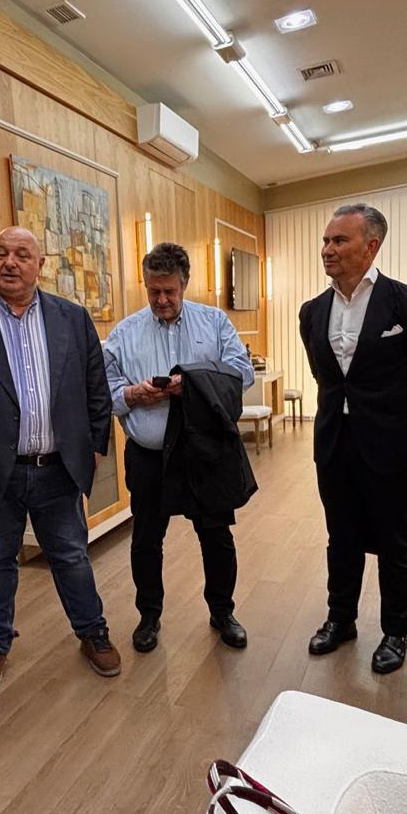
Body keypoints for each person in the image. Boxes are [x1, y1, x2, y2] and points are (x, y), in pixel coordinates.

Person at [0, 225, 119, 695]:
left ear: (40, 265)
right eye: (1, 253)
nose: (9, 262)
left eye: (22, 254)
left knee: (71, 555)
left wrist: (95, 447)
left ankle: (92, 632)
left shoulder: (73, 319)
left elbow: (96, 389)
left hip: (58, 468)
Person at [299, 204, 407, 673]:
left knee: (395, 542)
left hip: (390, 445)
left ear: (371, 245)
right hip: (333, 442)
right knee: (340, 537)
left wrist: (397, 421)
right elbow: (325, 376)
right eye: (326, 240)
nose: (328, 249)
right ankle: (340, 620)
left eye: (339, 240)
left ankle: (395, 632)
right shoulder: (312, 312)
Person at [104, 241, 256, 652]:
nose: (161, 300)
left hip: (205, 453)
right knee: (146, 540)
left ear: (185, 284)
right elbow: (104, 389)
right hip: (149, 457)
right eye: (153, 291)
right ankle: (149, 616)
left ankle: (222, 612)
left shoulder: (215, 322)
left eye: (169, 291)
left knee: (216, 536)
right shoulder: (124, 333)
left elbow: (241, 374)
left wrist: (193, 384)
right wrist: (132, 394)